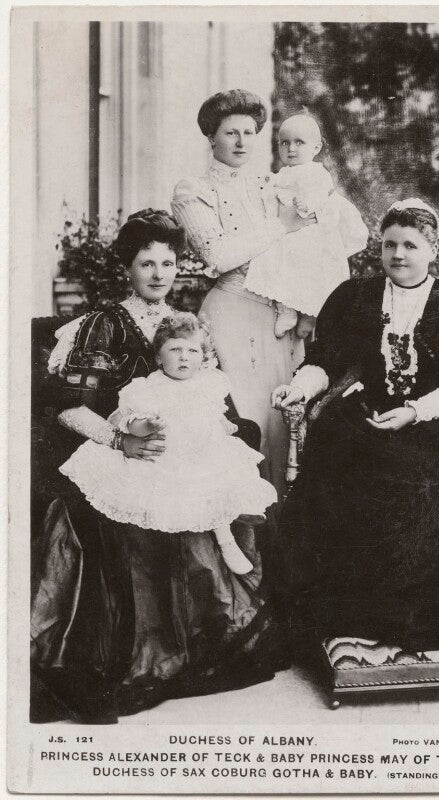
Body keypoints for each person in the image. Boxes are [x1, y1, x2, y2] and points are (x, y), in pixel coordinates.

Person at [31, 209, 283, 725]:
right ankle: (143, 653)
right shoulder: (104, 323)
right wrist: (119, 440)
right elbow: (67, 406)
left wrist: (224, 431)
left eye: (168, 263)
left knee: (229, 488)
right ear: (128, 267)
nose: (159, 274)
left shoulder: (184, 324)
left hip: (184, 453)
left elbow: (210, 395)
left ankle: (210, 643)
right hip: (118, 445)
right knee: (115, 521)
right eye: (147, 263)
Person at [272, 198, 439, 655]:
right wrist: (301, 387)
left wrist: (416, 411)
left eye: (410, 245)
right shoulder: (356, 296)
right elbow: (326, 359)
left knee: (424, 482)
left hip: (438, 418)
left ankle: (419, 620)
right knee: (341, 472)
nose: (398, 255)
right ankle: (349, 619)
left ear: (433, 250)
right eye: (390, 244)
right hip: (370, 414)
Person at [171, 89, 314, 495]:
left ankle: (287, 543)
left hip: (282, 321)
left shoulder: (271, 186)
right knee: (248, 426)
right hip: (232, 316)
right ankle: (248, 541)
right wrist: (281, 226)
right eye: (230, 132)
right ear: (211, 138)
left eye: (249, 133)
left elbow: (309, 243)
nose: (241, 142)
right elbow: (218, 255)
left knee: (288, 424)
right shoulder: (193, 190)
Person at [59, 312, 277, 576]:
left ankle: (227, 538)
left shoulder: (209, 384)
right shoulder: (147, 388)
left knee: (221, 475)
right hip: (166, 452)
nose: (184, 356)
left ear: (203, 358)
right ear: (159, 358)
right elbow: (129, 422)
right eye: (175, 349)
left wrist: (222, 426)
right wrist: (148, 425)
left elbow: (214, 415)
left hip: (202, 450)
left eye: (192, 350)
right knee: (171, 486)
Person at [244, 113, 368, 339]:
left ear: (316, 147)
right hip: (288, 231)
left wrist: (308, 203)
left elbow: (325, 197)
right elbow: (272, 192)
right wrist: (266, 186)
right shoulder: (282, 173)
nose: (291, 149)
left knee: (310, 273)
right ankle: (287, 310)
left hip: (310, 232)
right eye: (284, 143)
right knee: (277, 264)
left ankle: (310, 316)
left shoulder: (316, 172)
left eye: (299, 142)